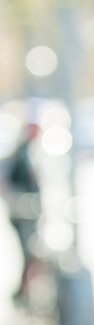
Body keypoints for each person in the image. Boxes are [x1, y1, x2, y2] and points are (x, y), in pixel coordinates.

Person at [1, 120, 42, 306]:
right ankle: (22, 292)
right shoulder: (20, 153)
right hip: (22, 213)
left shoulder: (29, 152)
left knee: (30, 252)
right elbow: (6, 181)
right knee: (27, 252)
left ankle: (26, 290)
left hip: (29, 211)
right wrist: (16, 200)